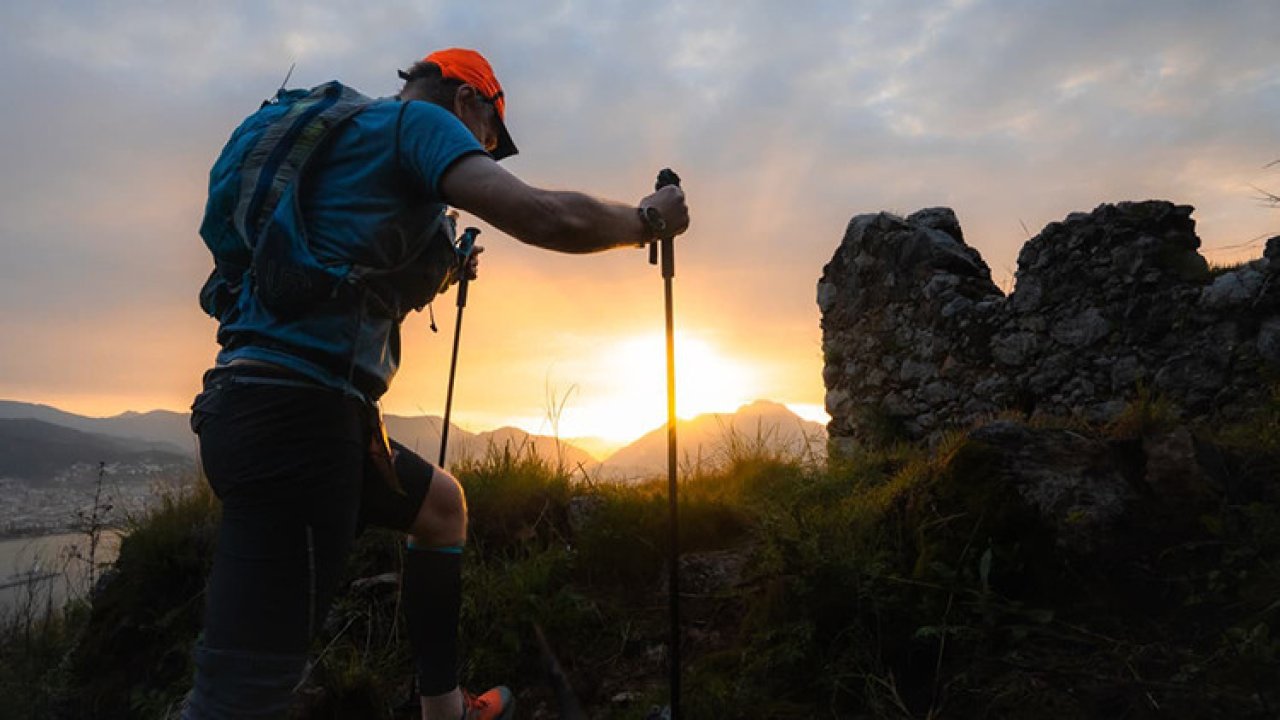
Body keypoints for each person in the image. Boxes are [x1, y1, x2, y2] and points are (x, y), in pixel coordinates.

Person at [184, 47, 689, 720]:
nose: (482, 152)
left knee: (441, 505)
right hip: (300, 428)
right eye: (488, 140)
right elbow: (547, 217)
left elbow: (349, 260)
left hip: (268, 409)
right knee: (241, 697)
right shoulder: (416, 127)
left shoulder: (344, 141)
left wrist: (445, 269)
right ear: (467, 102)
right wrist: (646, 219)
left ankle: (444, 710)